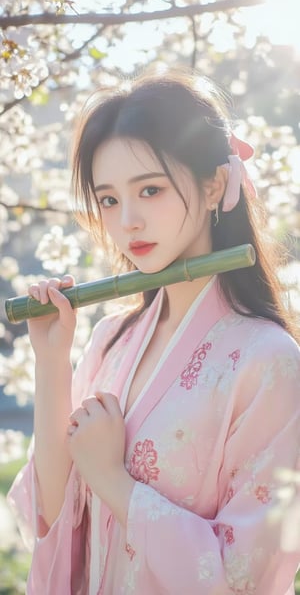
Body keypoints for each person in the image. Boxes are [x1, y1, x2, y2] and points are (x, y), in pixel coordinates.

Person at [8, 70, 300, 595]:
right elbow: (52, 520)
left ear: (214, 185)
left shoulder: (270, 361)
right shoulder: (111, 338)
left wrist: (113, 480)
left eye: (150, 189)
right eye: (110, 200)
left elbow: (242, 578)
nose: (129, 222)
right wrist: (53, 362)